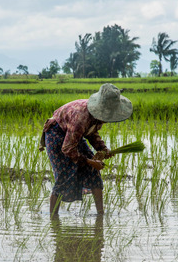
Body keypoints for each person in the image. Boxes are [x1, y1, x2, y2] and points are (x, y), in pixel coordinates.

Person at [39, 83, 133, 216]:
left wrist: (103, 149)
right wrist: (90, 161)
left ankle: (101, 214)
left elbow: (90, 132)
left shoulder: (96, 115)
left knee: (94, 172)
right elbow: (67, 148)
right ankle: (53, 218)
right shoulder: (81, 118)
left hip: (73, 134)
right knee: (64, 175)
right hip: (57, 134)